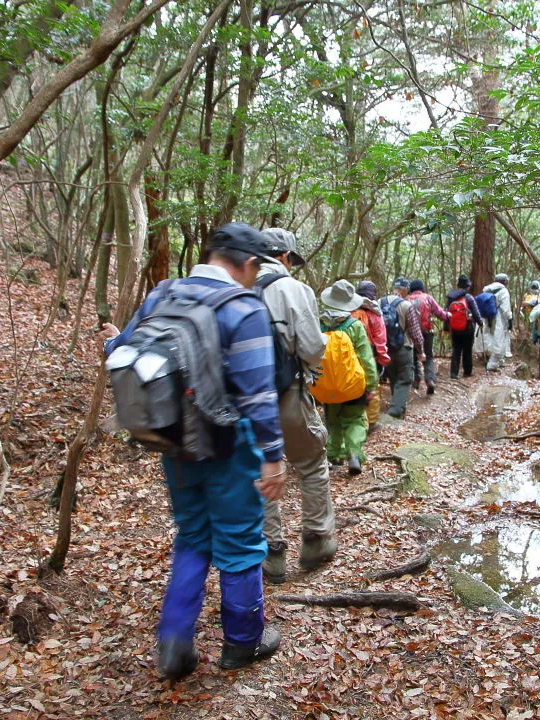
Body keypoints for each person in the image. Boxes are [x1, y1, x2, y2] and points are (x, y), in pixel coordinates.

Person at [100, 222, 284, 680]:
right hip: (230, 444)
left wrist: (108, 340)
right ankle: (243, 642)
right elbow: (258, 394)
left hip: (176, 441)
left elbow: (123, 350)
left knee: (193, 537)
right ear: (246, 264)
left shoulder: (163, 293)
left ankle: (174, 643)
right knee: (240, 543)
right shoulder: (244, 308)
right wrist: (273, 455)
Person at [256, 228, 335, 585]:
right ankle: (316, 538)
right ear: (285, 256)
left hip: (246, 402)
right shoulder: (293, 290)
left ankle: (271, 554)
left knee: (260, 473)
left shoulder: (231, 287)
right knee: (311, 462)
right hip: (288, 394)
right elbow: (312, 347)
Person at [319, 280, 378, 474]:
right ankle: (353, 453)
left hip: (327, 385)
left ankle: (335, 458)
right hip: (353, 384)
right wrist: (370, 385)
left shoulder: (320, 324)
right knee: (354, 420)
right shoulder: (355, 326)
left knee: (333, 420)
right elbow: (366, 359)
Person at [380, 277, 425, 418]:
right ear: (405, 289)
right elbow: (415, 333)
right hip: (403, 347)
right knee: (405, 379)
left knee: (393, 377)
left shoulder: (378, 303)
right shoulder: (407, 306)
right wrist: (421, 351)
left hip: (385, 348)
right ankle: (396, 410)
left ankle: (398, 405)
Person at [352, 281, 390, 430]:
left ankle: (356, 421)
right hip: (370, 356)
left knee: (354, 387)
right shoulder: (375, 314)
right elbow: (381, 340)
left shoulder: (349, 310)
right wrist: (382, 359)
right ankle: (372, 422)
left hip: (352, 356)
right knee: (372, 387)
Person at [407, 279, 448, 396]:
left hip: (411, 333)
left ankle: (415, 381)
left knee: (414, 357)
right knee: (428, 357)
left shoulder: (407, 300)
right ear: (422, 288)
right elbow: (441, 314)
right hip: (426, 332)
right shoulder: (428, 298)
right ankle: (430, 380)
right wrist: (447, 315)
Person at [444, 275, 483, 379]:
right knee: (467, 349)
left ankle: (454, 373)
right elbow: (475, 312)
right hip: (468, 328)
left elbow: (446, 313)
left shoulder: (451, 297)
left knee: (456, 350)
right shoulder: (469, 297)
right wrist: (480, 323)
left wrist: (446, 328)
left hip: (455, 328)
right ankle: (467, 372)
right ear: (467, 286)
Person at [481, 273, 513, 371]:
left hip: (486, 317)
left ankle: (495, 360)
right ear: (505, 281)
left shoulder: (486, 289)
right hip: (498, 318)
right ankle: (492, 364)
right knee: (499, 339)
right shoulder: (503, 291)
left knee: (489, 338)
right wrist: (510, 319)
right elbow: (505, 308)